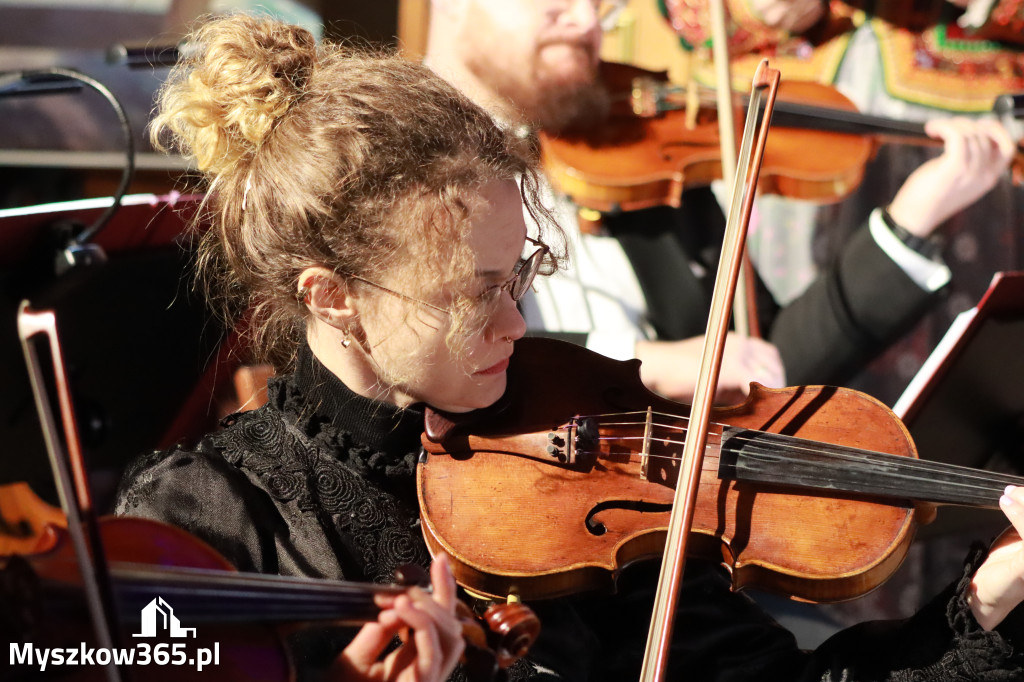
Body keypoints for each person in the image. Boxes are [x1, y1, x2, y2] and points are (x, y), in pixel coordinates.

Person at [116, 10, 1024, 682]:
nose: (519, 325)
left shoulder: (592, 464)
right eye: (472, 296)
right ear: (333, 296)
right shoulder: (209, 518)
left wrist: (989, 600)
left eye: (518, 280)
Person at [423, 0, 1017, 405]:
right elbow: (418, 358)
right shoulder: (392, 164)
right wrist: (641, 362)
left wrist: (910, 220)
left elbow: (770, 363)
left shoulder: (633, 145)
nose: (586, 21)